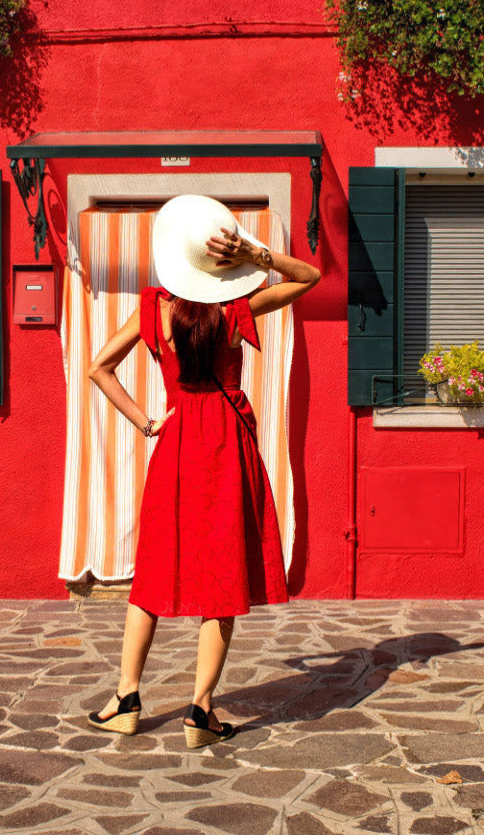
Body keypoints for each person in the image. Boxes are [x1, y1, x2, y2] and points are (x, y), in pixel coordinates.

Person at [85, 194, 321, 748]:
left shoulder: (152, 309)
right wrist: (259, 254)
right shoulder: (235, 310)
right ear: (220, 264)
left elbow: (98, 367)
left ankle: (126, 698)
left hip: (177, 439)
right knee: (221, 576)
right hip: (226, 443)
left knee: (154, 568)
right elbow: (309, 276)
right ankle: (200, 713)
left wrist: (146, 423)